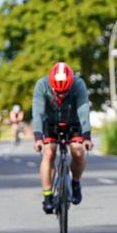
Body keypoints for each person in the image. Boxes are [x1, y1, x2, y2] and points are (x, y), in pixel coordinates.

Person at [32, 62, 94, 214]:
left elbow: (83, 110)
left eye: (65, 92)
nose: (61, 95)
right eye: (57, 92)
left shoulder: (78, 84)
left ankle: (75, 183)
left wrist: (86, 136)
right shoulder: (42, 84)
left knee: (78, 151)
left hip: (73, 123)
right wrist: (38, 137)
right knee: (49, 153)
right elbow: (38, 111)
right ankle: (47, 196)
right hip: (50, 124)